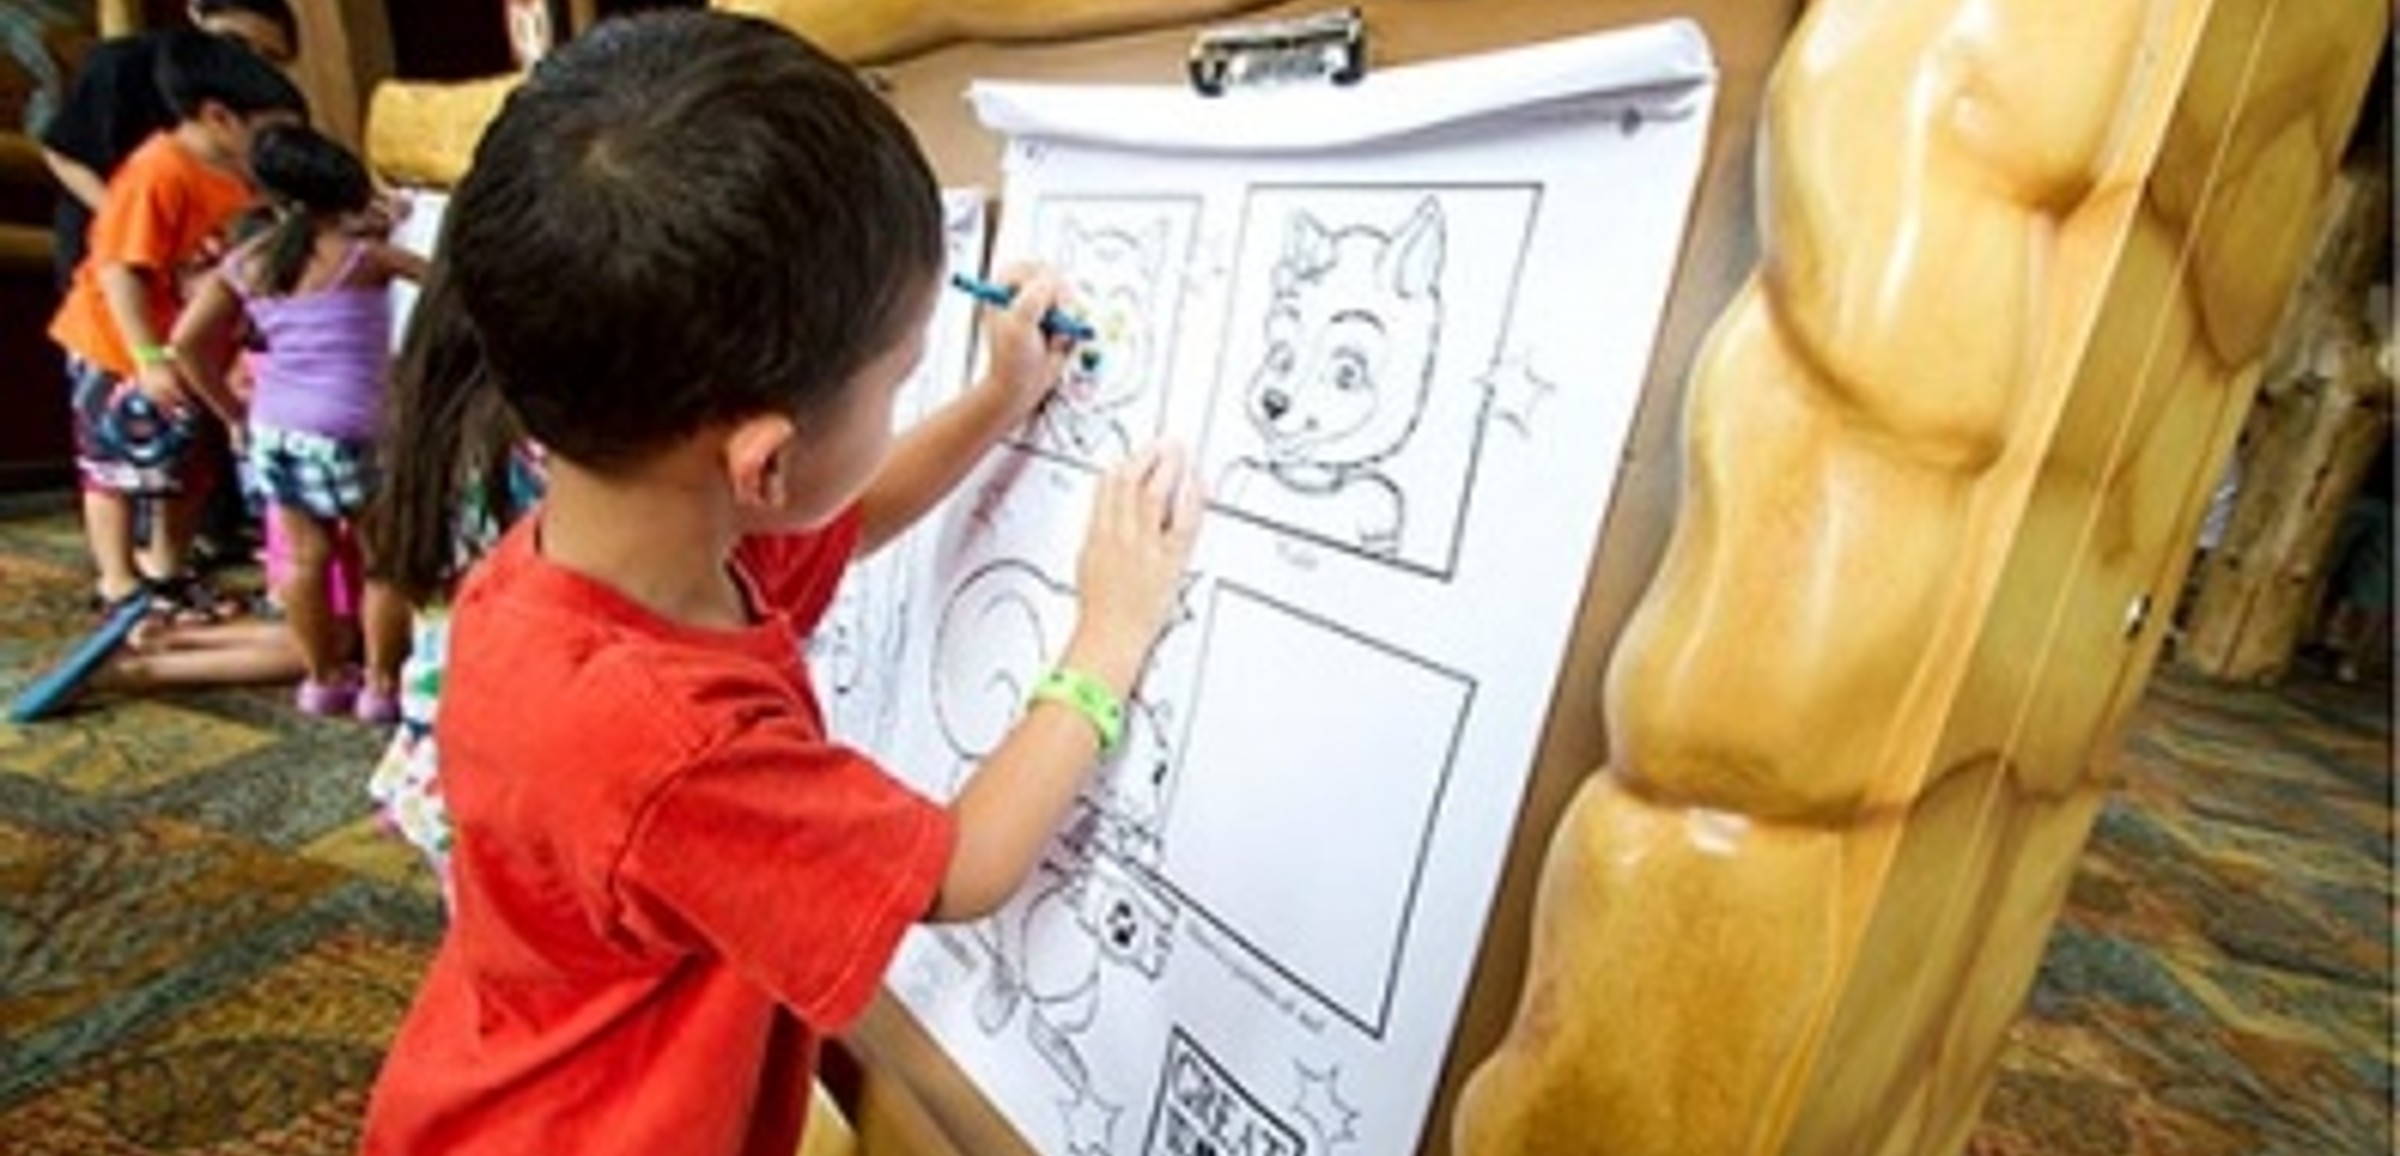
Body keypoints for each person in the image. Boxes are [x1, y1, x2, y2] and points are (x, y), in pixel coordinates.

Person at [358, 12, 1202, 1156]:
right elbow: (960, 869)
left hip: (502, 1074)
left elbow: (838, 523)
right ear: (762, 459)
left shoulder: (604, 549)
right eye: (902, 376)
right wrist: (1111, 634)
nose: (908, 394)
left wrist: (995, 402)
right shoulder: (667, 744)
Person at [169, 123, 425, 720]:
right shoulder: (364, 258)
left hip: (277, 431)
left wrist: (231, 412)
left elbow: (185, 345)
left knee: (306, 560)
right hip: (359, 429)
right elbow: (451, 287)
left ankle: (323, 678)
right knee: (385, 560)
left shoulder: (245, 264)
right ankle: (382, 686)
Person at [46, 30, 305, 621]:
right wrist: (147, 356)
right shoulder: (157, 171)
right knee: (112, 466)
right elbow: (121, 272)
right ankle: (117, 579)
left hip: (186, 345)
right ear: (218, 117)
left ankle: (167, 569)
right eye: (267, 134)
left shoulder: (237, 175)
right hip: (116, 343)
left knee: (188, 465)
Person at [38, 0, 298, 292]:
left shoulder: (261, 96)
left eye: (269, 57)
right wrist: (140, 222)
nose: (247, 60)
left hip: (201, 256)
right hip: (108, 244)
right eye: (235, 42)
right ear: (197, 14)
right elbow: (64, 153)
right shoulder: (124, 62)